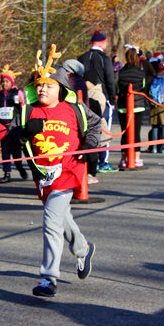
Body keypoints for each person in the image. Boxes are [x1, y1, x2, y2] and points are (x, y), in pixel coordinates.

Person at [10, 47, 101, 298]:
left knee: (51, 222)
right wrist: (25, 132)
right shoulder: (27, 111)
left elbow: (94, 126)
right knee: (61, 218)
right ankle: (83, 249)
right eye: (39, 85)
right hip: (43, 174)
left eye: (49, 86)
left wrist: (89, 146)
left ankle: (48, 278)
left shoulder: (74, 109)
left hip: (68, 171)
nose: (42, 90)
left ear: (60, 88)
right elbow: (10, 142)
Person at [78, 30, 117, 173]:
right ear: (102, 43)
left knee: (86, 128)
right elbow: (110, 79)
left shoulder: (81, 57)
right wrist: (112, 99)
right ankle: (103, 162)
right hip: (101, 96)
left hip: (82, 96)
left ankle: (86, 159)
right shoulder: (104, 58)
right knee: (103, 129)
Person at [62, 59, 97, 184]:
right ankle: (89, 173)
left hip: (74, 116)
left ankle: (80, 176)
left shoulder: (71, 82)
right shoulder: (81, 81)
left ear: (69, 71)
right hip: (82, 115)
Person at [0, 65, 28, 183]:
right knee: (5, 150)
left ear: (12, 82)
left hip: (14, 127)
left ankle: (20, 167)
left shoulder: (18, 92)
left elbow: (23, 108)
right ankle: (6, 173)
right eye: (2, 81)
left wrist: (22, 103)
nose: (4, 83)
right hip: (3, 126)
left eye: (7, 81)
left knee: (16, 151)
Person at [116, 48, 146, 167]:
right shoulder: (140, 72)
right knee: (136, 133)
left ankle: (124, 158)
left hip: (123, 106)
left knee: (125, 132)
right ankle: (137, 158)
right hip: (138, 106)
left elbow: (117, 85)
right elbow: (143, 86)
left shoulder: (121, 72)